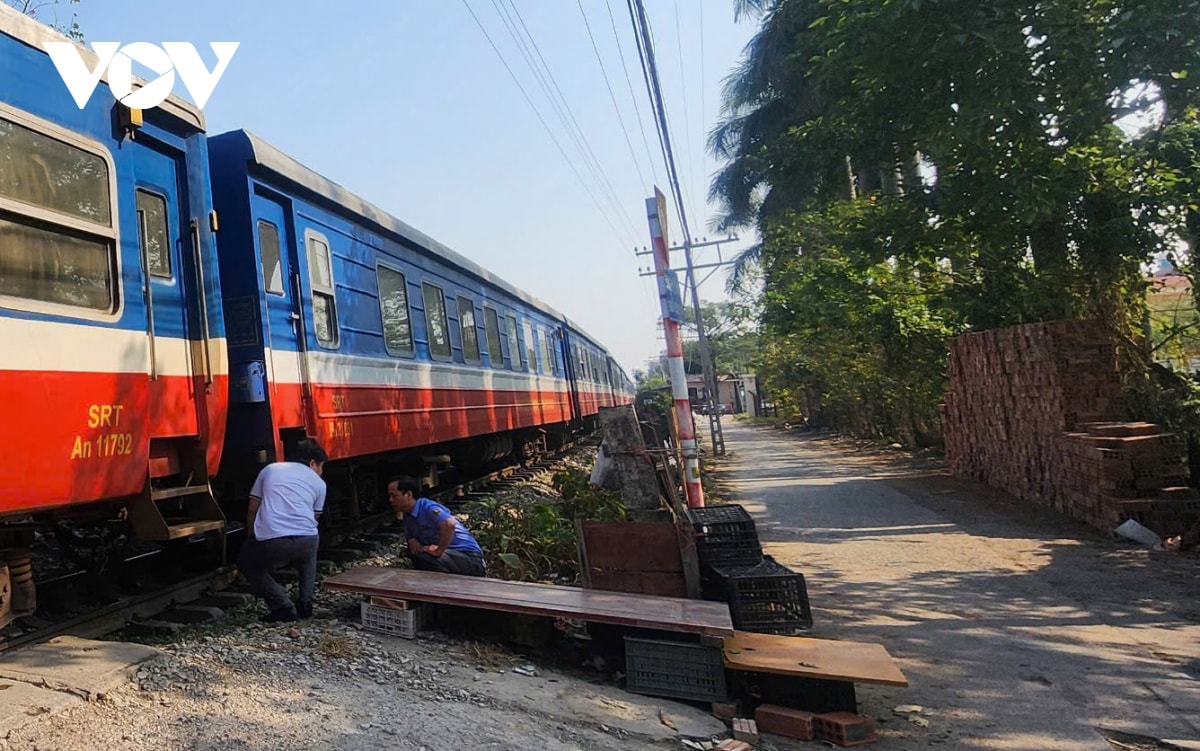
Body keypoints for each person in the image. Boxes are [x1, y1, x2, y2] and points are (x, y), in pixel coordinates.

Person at [237, 438, 328, 622]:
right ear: (312, 463)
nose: (321, 471)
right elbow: (314, 517)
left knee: (247, 562)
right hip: (308, 539)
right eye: (321, 466)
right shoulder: (320, 484)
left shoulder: (270, 469)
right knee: (308, 557)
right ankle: (305, 604)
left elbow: (253, 508)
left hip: (273, 540)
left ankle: (283, 606)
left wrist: (252, 536)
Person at [387, 476, 486, 577]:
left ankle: (446, 585)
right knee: (412, 553)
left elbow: (449, 524)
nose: (390, 500)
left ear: (408, 494)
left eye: (394, 496)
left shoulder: (428, 508)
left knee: (425, 557)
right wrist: (411, 539)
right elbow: (411, 536)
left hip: (470, 558)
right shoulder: (407, 515)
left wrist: (439, 550)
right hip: (453, 556)